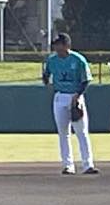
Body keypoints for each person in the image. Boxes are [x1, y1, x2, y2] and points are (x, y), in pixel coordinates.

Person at [42, 33, 99, 176]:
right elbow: (46, 75)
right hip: (60, 96)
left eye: (59, 44)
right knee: (63, 133)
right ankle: (68, 165)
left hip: (75, 97)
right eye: (55, 45)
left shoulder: (78, 59)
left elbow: (86, 80)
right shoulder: (52, 60)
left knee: (82, 132)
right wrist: (50, 86)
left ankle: (88, 165)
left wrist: (78, 95)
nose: (56, 47)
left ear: (66, 45)